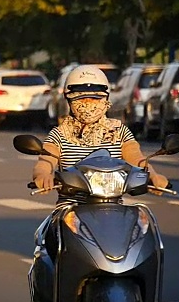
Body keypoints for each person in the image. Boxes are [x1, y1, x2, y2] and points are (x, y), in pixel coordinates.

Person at [31, 65, 169, 258]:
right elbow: (45, 160)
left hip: (114, 213)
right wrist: (43, 175)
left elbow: (138, 160)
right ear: (69, 99)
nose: (88, 104)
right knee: (54, 247)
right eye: (81, 98)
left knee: (146, 242)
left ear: (106, 100)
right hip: (70, 212)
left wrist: (153, 176)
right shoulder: (59, 134)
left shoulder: (119, 132)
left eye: (95, 98)